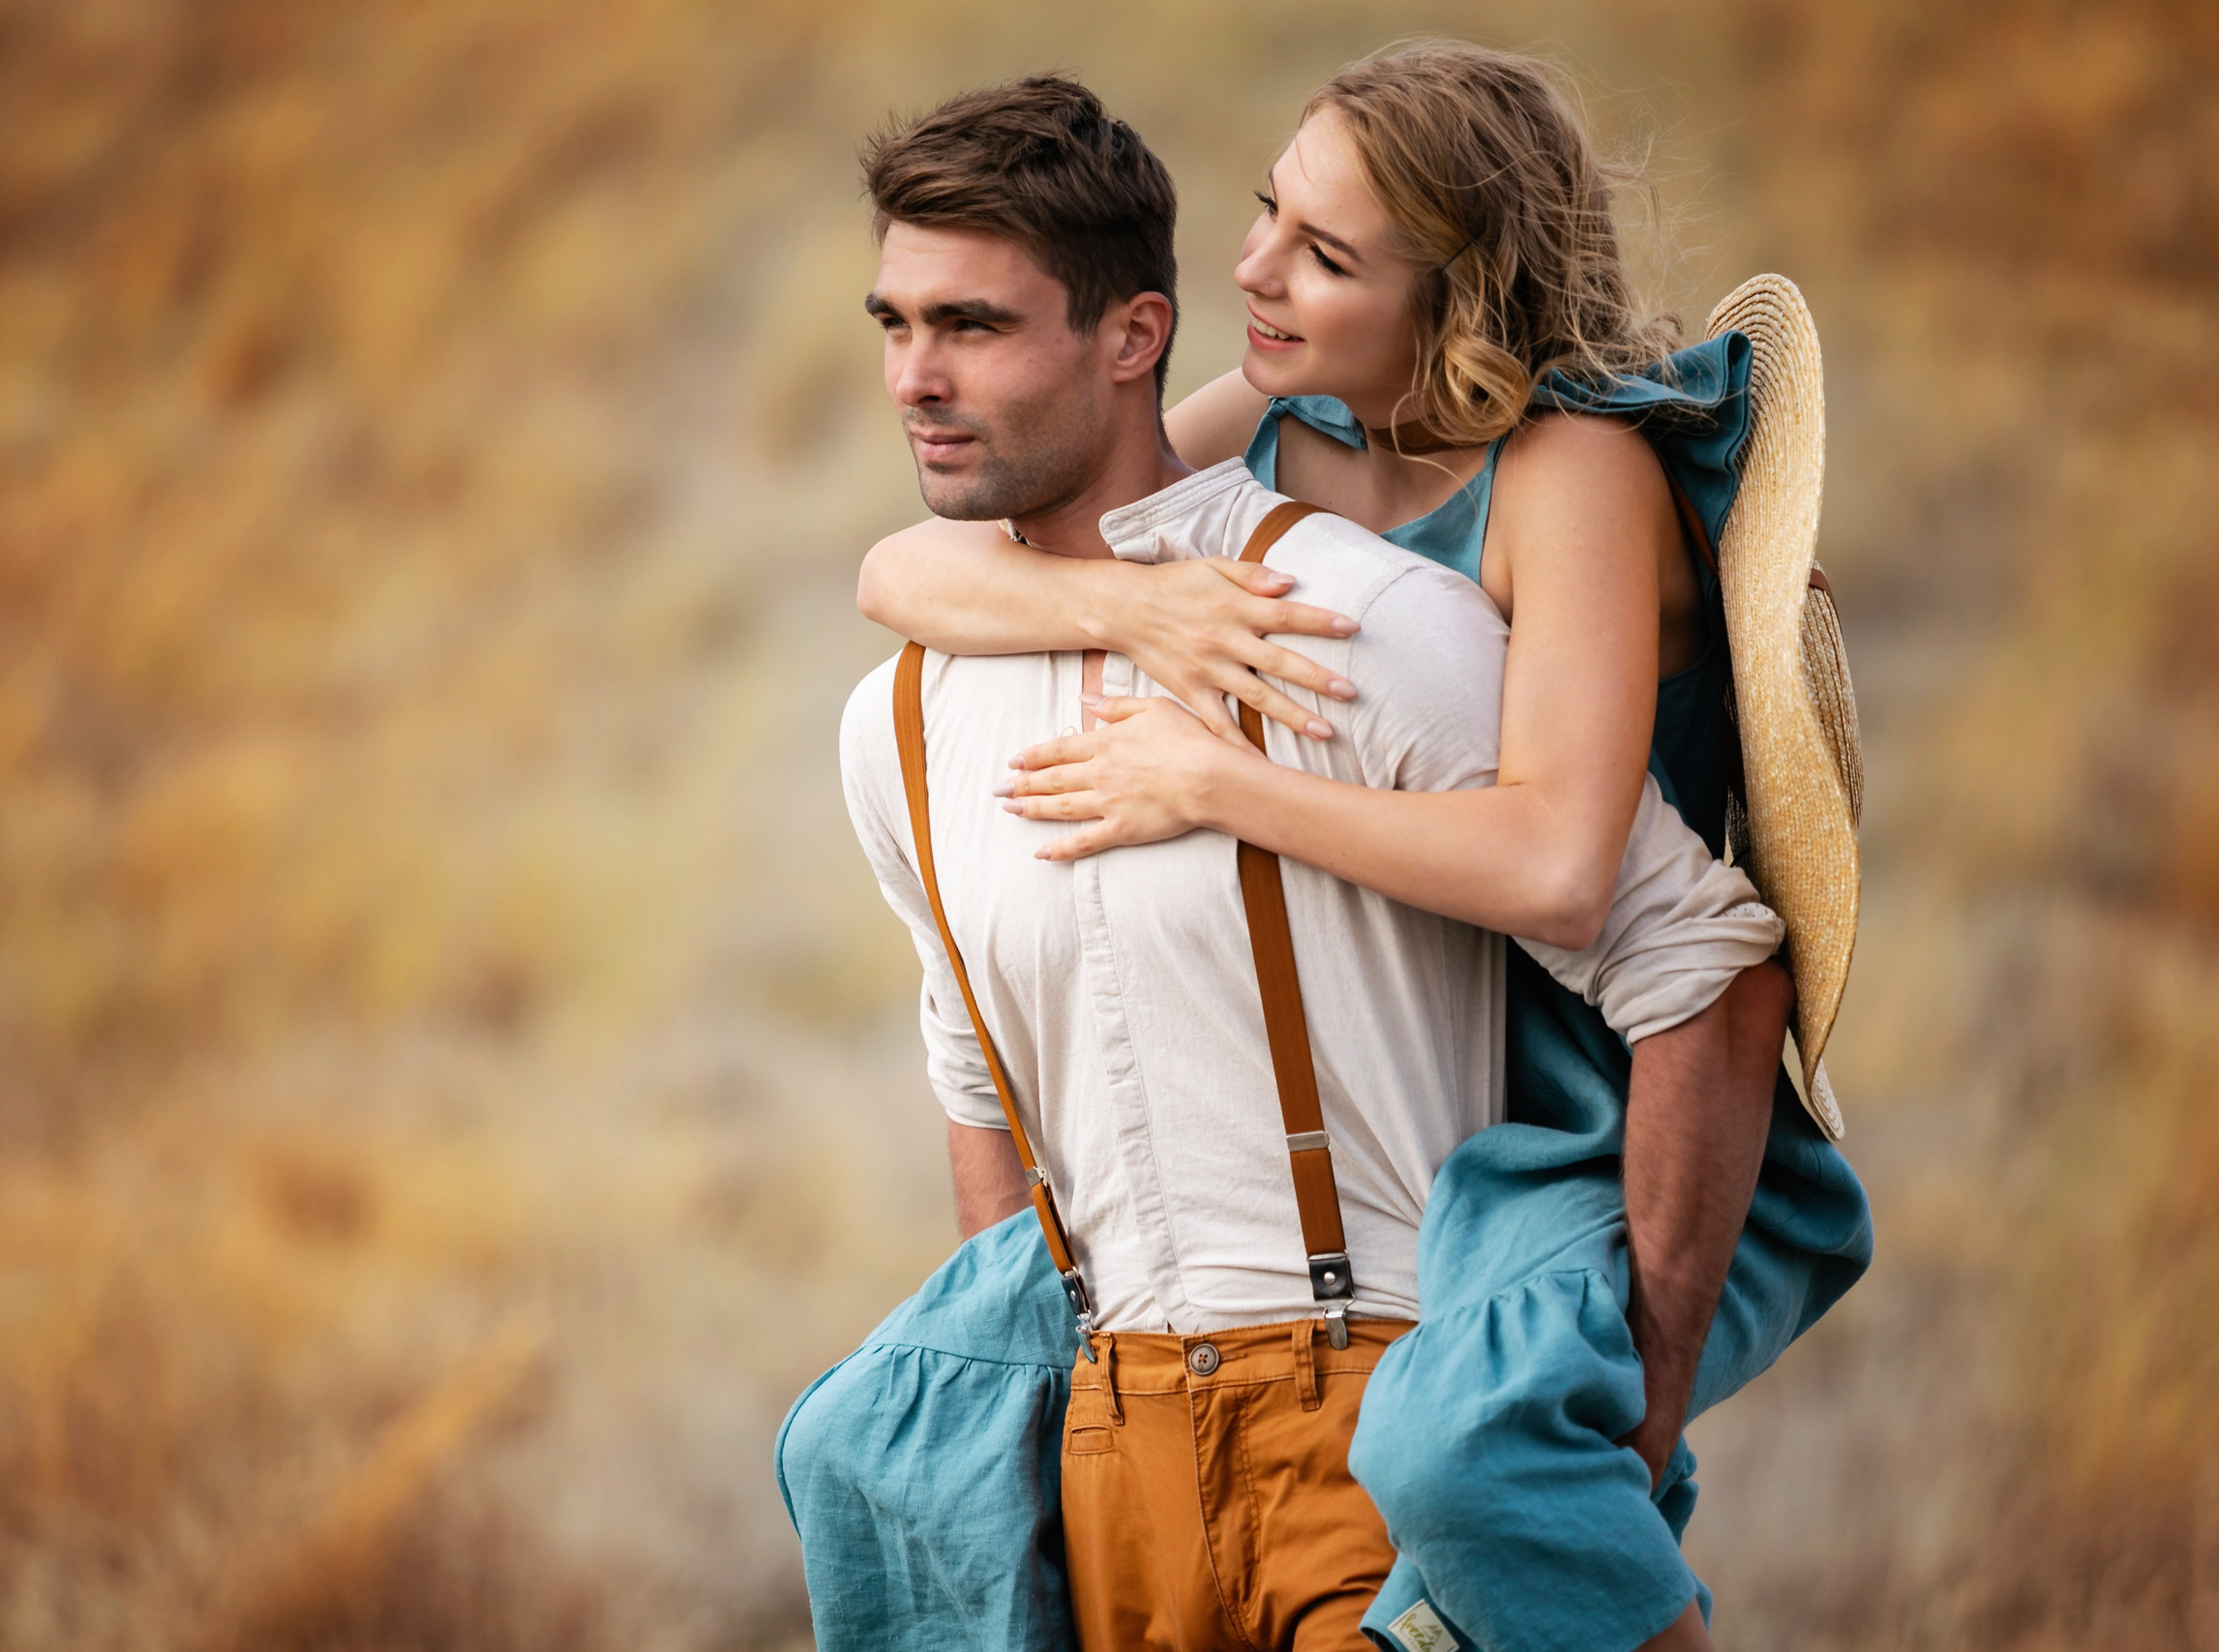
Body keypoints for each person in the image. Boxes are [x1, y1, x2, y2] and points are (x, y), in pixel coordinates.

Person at [786, 72, 1849, 1652]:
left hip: (1577, 1082)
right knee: (855, 1445)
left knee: (1482, 1457)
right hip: (1155, 1396)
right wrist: (1129, 609)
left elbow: (1576, 874)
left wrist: (1220, 779)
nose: (1257, 270)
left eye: (1327, 253)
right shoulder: (1279, 433)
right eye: (1269, 210)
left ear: (1455, 292)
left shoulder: (1553, 493)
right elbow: (948, 555)